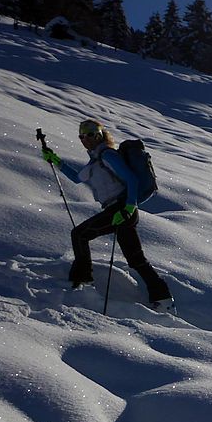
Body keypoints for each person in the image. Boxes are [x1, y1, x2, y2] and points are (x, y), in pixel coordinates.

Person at [41, 118, 173, 309]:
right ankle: (163, 299)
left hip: (121, 208)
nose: (85, 139)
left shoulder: (108, 155)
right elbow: (77, 178)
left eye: (90, 134)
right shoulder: (96, 160)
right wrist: (55, 160)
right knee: (136, 259)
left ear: (100, 135)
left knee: (79, 234)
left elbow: (131, 180)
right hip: (120, 210)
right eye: (82, 136)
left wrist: (127, 208)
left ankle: (82, 282)